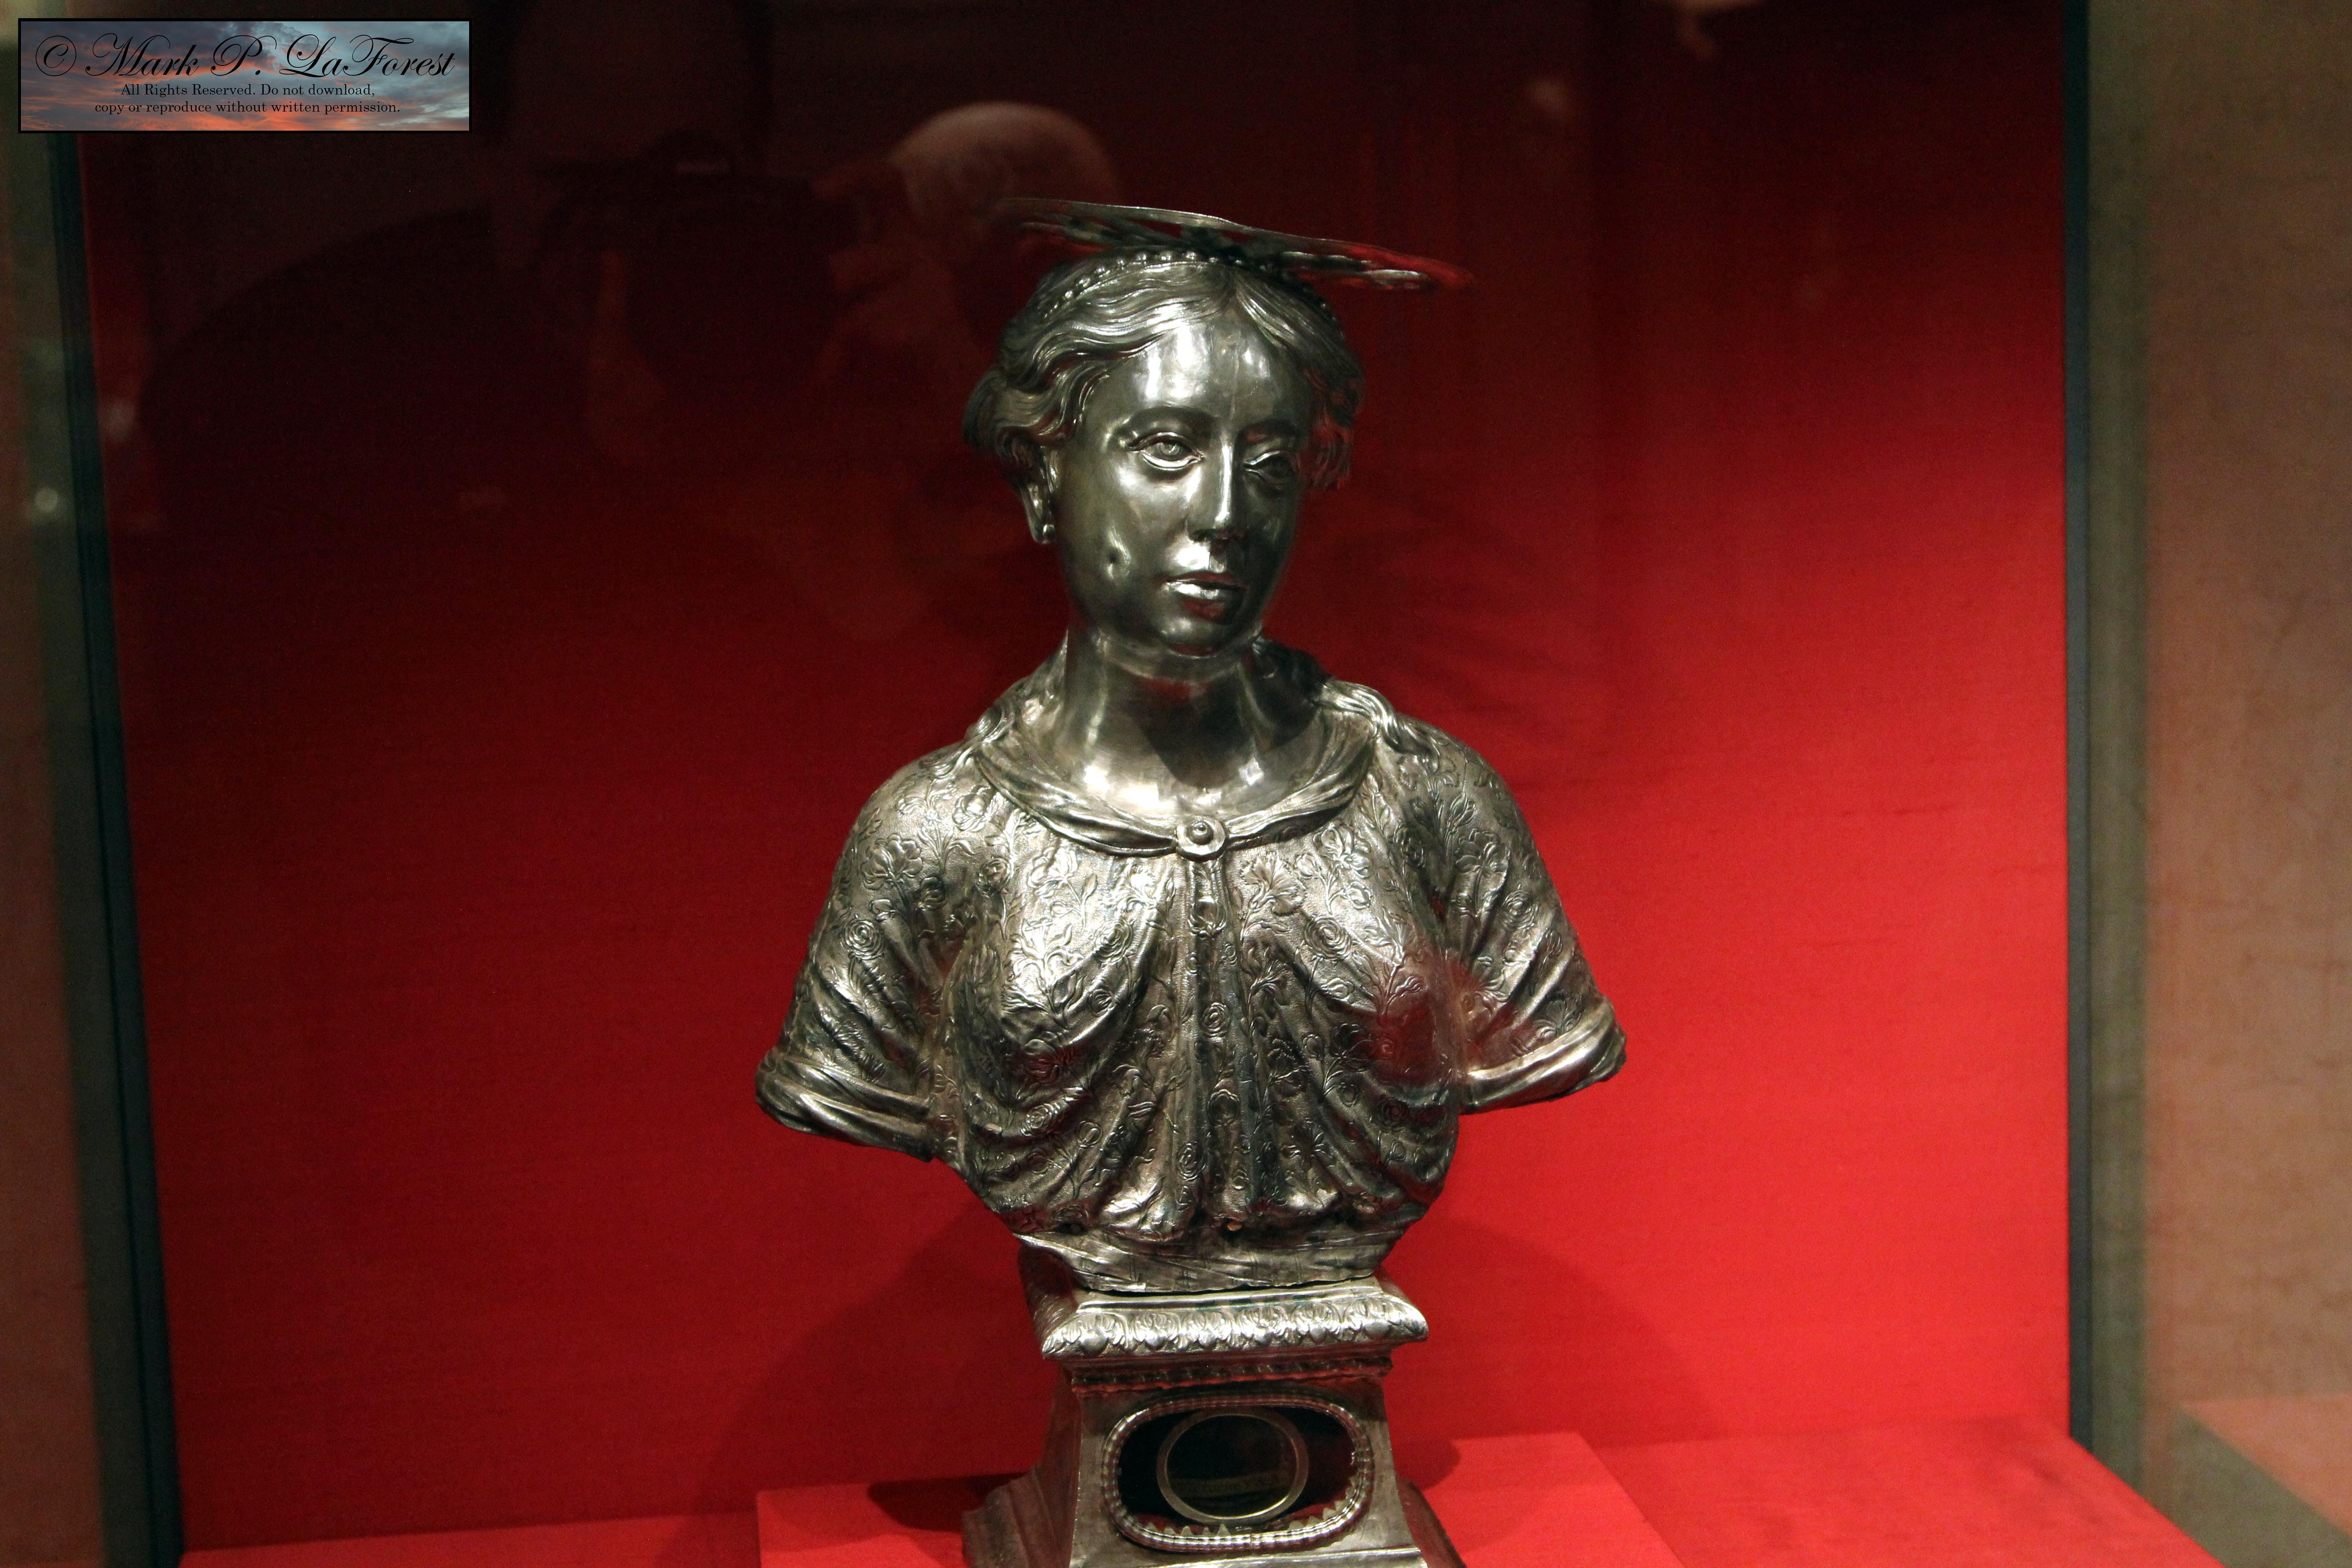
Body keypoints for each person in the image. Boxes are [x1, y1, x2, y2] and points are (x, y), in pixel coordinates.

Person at [756, 207, 1624, 1295]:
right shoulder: (935, 837)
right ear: (1043, 472)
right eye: (1166, 448)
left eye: (1269, 463)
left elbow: (1532, 1038)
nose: (1224, 512)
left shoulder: (1427, 798)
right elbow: (854, 1082)